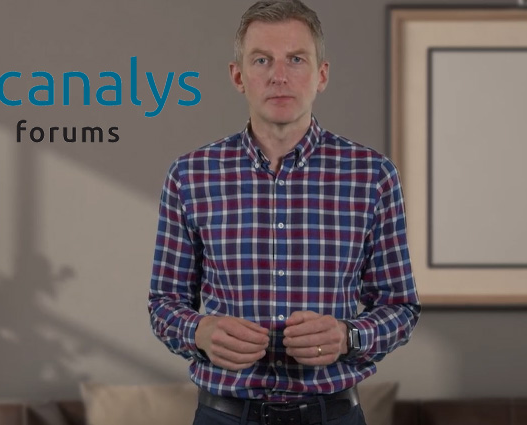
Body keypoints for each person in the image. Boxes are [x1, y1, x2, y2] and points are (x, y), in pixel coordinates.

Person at [148, 1, 420, 424]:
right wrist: (199, 331)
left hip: (332, 413)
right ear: (238, 76)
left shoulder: (372, 176)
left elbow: (401, 306)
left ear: (321, 74)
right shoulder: (190, 175)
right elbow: (164, 301)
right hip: (225, 414)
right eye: (262, 60)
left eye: (296, 59)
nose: (279, 75)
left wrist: (349, 335)